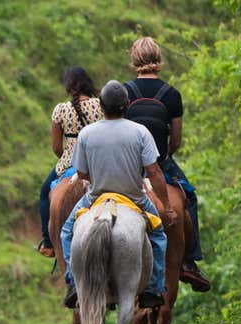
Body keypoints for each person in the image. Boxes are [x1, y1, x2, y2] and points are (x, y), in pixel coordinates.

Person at [60, 80, 177, 309]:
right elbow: (154, 172)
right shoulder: (140, 132)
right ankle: (153, 288)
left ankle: (73, 281)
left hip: (95, 197)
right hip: (134, 198)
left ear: (101, 106)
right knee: (158, 235)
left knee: (66, 232)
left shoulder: (87, 133)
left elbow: (81, 173)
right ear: (127, 105)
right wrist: (167, 206)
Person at [124, 37, 211, 292]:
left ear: (134, 59)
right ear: (158, 58)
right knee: (189, 197)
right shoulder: (171, 95)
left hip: (130, 167)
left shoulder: (124, 92)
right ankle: (189, 262)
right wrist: (161, 157)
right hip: (161, 163)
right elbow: (177, 140)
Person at [37, 67, 103, 258]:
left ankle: (48, 244)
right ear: (87, 82)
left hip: (70, 163)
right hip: (97, 163)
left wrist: (67, 157)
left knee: (44, 193)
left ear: (68, 86)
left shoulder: (61, 109)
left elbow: (57, 148)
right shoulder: (101, 105)